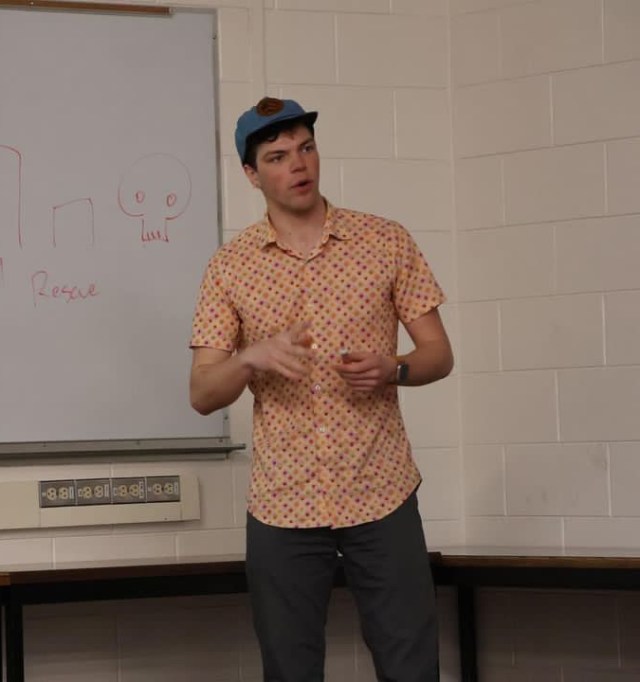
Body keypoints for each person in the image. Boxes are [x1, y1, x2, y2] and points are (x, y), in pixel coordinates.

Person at [189, 97, 453, 682]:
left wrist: (395, 369)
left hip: (381, 489)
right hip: (283, 503)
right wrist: (249, 358)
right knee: (290, 669)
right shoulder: (229, 267)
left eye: (306, 148)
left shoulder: (385, 240)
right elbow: (203, 393)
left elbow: (439, 354)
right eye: (278, 156)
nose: (298, 164)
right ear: (251, 174)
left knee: (412, 665)